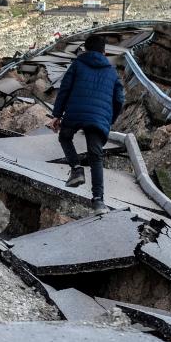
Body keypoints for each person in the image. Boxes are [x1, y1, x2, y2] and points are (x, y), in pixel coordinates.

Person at [49, 33, 125, 215]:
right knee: (95, 156)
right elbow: (119, 99)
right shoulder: (112, 72)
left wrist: (57, 115)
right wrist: (109, 120)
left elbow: (65, 89)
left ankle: (76, 169)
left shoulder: (78, 64)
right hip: (99, 117)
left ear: (85, 49)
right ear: (104, 52)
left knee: (65, 137)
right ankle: (99, 201)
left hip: (75, 112)